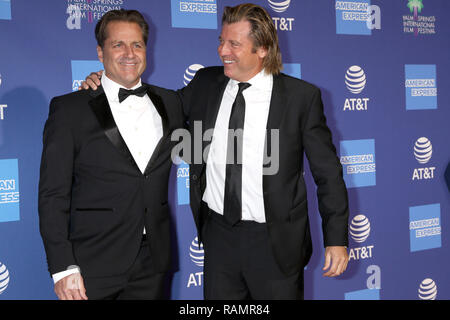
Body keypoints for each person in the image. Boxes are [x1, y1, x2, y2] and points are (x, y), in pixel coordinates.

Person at [82, 3, 349, 300]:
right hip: (219, 237)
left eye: (234, 43)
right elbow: (158, 106)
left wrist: (336, 239)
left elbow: (328, 173)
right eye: (221, 41)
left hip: (276, 243)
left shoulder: (301, 98)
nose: (223, 51)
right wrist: (106, 81)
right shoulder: (207, 83)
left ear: (262, 49)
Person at [38, 9, 183, 300]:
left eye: (137, 44)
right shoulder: (70, 109)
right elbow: (52, 195)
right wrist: (63, 268)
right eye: (118, 45)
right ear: (100, 53)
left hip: (153, 262)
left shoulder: (172, 101)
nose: (129, 53)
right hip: (92, 262)